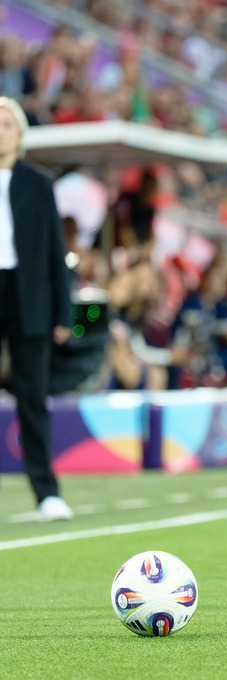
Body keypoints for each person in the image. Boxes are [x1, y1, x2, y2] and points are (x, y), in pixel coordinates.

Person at [0, 97, 73, 520]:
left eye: (7, 123)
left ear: (20, 133)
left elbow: (53, 253)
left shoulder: (37, 183)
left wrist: (62, 315)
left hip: (29, 298)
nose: (1, 130)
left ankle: (47, 493)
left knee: (32, 397)